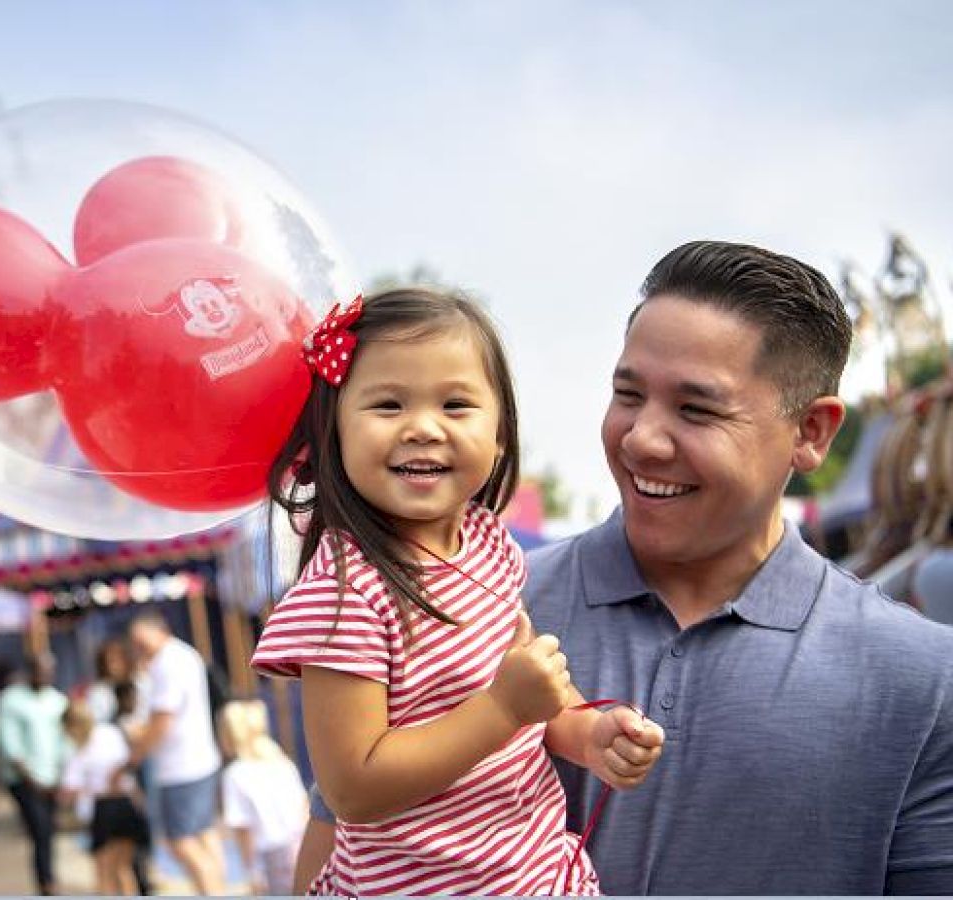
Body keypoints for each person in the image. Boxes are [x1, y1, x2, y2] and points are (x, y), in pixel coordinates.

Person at [299, 242, 953, 895]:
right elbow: (337, 844)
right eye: (628, 394)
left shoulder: (921, 682)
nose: (641, 437)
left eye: (696, 409)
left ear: (811, 432)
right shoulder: (451, 601)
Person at [250, 288, 665, 897]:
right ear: (334, 431)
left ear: (500, 434)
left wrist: (591, 735)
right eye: (387, 405)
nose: (422, 427)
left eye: (455, 404)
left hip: (538, 879)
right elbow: (353, 790)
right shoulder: (343, 594)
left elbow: (536, 694)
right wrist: (502, 709)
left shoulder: (488, 545)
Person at [128, 611, 226, 895]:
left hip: (180, 766)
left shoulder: (167, 663)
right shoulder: (183, 655)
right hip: (198, 760)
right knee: (204, 835)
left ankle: (212, 891)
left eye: (140, 639)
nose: (137, 645)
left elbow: (162, 720)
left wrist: (138, 750)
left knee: (181, 842)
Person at [0, 652, 68, 896]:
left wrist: (62, 777)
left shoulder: (56, 700)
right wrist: (34, 781)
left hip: (52, 779)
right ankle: (47, 885)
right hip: (25, 781)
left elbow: (64, 741)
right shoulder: (10, 700)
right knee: (40, 830)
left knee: (49, 832)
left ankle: (49, 879)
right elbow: (9, 746)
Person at [216, 699, 309, 896]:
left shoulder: (235, 774)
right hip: (300, 845)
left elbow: (243, 828)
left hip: (269, 855)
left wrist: (251, 871)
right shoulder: (283, 762)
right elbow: (304, 808)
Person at [60, 700, 151, 896]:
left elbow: (68, 791)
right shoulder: (110, 732)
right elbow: (127, 763)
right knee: (124, 869)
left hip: (103, 808)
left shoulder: (79, 751)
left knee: (104, 873)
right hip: (127, 803)